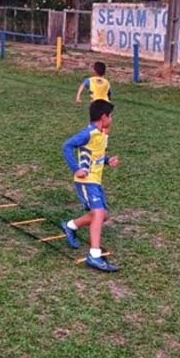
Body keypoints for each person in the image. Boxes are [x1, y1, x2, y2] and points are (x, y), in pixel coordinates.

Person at [59, 99, 121, 273]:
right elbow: (67, 146)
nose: (112, 119)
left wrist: (108, 161)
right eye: (111, 116)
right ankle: (94, 256)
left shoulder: (101, 134)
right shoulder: (89, 133)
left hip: (95, 180)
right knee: (99, 213)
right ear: (104, 117)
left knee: (103, 216)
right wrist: (76, 168)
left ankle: (70, 225)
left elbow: (95, 154)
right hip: (86, 181)